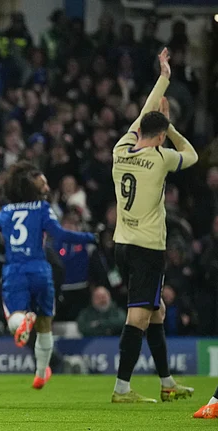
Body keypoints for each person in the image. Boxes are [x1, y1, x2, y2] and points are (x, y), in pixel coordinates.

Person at [110, 48, 196, 404]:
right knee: (138, 318)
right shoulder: (161, 157)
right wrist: (170, 126)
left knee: (155, 311)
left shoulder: (120, 149)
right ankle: (122, 389)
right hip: (147, 249)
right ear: (160, 137)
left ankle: (167, 383)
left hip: (121, 243)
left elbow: (143, 116)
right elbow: (192, 155)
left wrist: (163, 79)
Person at [0, 161, 96, 390]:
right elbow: (60, 234)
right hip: (40, 270)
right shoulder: (42, 208)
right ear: (32, 188)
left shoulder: (6, 212)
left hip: (14, 270)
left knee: (14, 319)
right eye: (43, 184)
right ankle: (41, 373)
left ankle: (23, 321)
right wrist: (89, 237)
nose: (47, 187)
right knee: (45, 323)